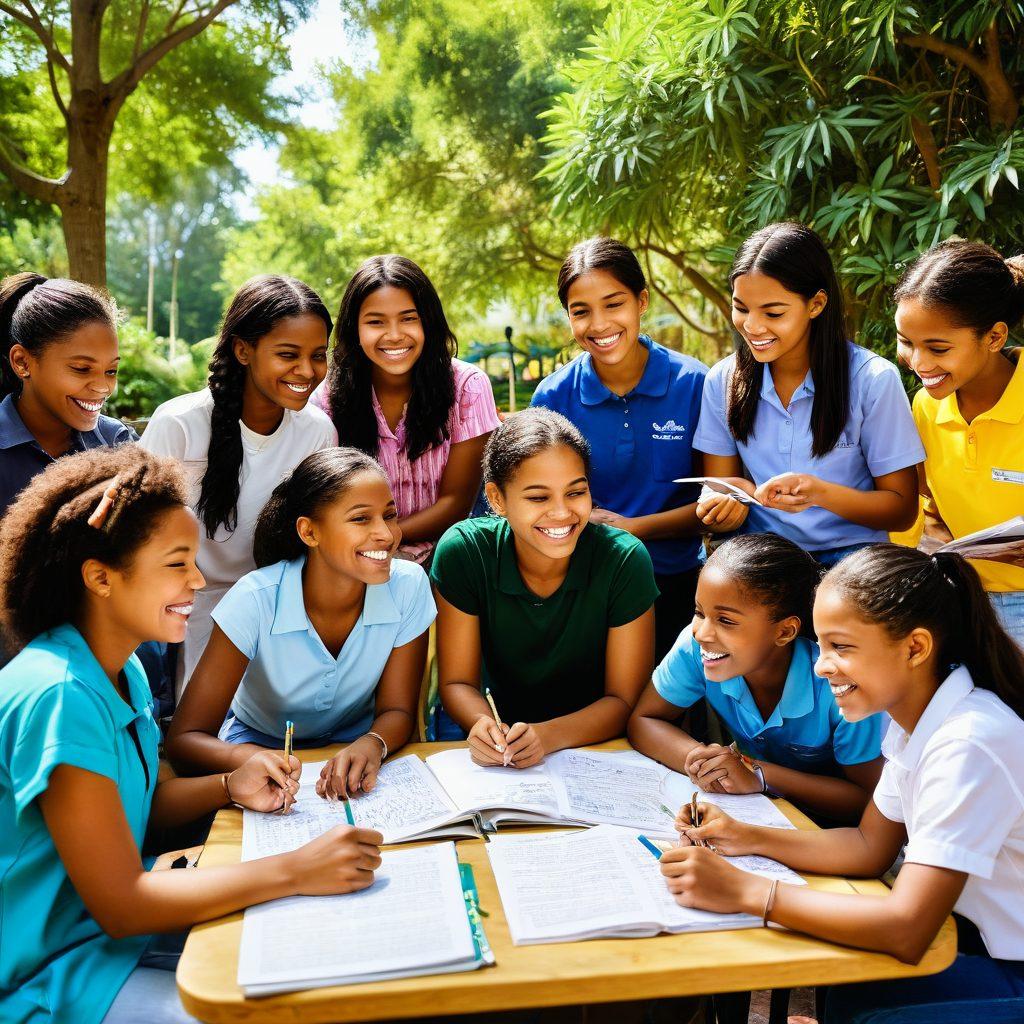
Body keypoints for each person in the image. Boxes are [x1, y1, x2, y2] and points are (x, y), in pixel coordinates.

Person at [0, 445, 382, 1024]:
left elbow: (136, 808)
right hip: (47, 974)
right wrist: (297, 869)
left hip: (104, 942)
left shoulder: (120, 668)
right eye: (177, 563)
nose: (199, 580)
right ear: (100, 578)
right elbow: (124, 905)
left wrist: (231, 783)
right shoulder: (59, 694)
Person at [665, 544, 1024, 1024]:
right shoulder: (913, 722)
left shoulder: (968, 742)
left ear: (915, 648)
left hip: (1007, 967)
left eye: (842, 647)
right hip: (970, 941)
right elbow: (868, 846)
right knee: (847, 989)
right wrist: (744, 836)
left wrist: (746, 891)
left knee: (862, 1005)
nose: (819, 665)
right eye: (820, 644)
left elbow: (906, 928)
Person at [165, 447, 435, 799]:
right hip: (258, 748)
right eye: (360, 519)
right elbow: (185, 740)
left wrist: (373, 743)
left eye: (390, 515)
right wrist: (254, 759)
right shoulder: (255, 600)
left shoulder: (408, 585)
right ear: (309, 533)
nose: (386, 534)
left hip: (355, 747)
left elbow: (397, 710)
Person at [140, 275, 338, 691]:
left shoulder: (317, 432)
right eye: (288, 354)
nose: (307, 371)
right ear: (243, 350)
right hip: (185, 605)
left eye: (318, 355)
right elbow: (140, 535)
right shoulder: (179, 424)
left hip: (277, 604)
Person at [432, 407, 659, 767]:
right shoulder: (465, 552)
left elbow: (623, 701)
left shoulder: (623, 560)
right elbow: (457, 683)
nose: (561, 513)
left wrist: (549, 736)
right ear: (497, 499)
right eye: (538, 497)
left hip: (595, 753)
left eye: (576, 492)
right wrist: (484, 725)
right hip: (498, 757)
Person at [693, 222, 924, 566]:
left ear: (816, 304)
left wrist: (818, 493)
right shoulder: (724, 380)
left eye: (773, 313)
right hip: (762, 557)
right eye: (741, 308)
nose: (752, 327)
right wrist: (725, 505)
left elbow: (901, 510)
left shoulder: (872, 379)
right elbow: (723, 487)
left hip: (852, 558)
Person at [531, 237, 710, 660]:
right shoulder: (553, 397)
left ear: (641, 301)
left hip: (676, 581)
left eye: (614, 304)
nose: (599, 324)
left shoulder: (695, 384)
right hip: (584, 585)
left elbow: (714, 503)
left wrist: (634, 529)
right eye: (581, 311)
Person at [629, 533, 882, 822]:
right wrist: (707, 762)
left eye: (726, 621)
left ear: (785, 632)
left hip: (831, 832)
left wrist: (757, 775)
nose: (702, 632)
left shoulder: (840, 683)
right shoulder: (696, 648)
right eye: (699, 613)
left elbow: (868, 800)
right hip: (754, 811)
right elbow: (645, 720)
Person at [314, 254, 500, 565]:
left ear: (428, 321)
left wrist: (387, 538)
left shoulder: (468, 386)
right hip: (359, 558)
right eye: (376, 322)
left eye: (408, 318)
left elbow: (455, 503)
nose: (395, 334)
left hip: (448, 557)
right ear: (354, 329)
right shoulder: (330, 396)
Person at [894, 239, 1024, 646]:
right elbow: (929, 506)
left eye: (938, 348)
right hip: (963, 603)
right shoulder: (925, 408)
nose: (918, 363)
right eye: (907, 342)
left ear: (994, 337)